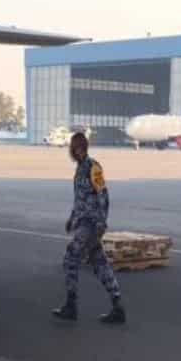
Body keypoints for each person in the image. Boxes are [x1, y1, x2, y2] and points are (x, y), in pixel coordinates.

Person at [51, 132, 125, 324]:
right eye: (73, 148)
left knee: (70, 258)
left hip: (91, 224)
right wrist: (72, 218)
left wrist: (101, 224)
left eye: (76, 147)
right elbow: (80, 199)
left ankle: (71, 305)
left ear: (82, 148)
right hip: (83, 222)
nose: (74, 151)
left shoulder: (93, 167)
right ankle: (117, 306)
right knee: (100, 263)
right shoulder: (79, 169)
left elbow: (103, 195)